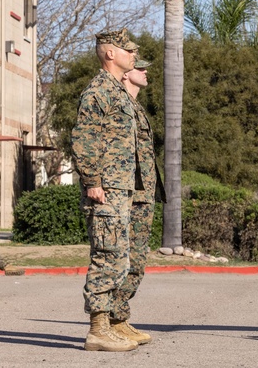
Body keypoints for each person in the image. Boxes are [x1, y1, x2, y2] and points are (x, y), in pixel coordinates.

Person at [71, 28, 142, 352]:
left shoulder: (116, 90)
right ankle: (97, 329)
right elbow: (84, 139)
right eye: (128, 50)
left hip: (119, 187)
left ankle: (109, 323)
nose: (134, 56)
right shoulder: (99, 90)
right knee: (107, 255)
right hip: (106, 189)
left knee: (119, 258)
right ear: (110, 53)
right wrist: (93, 182)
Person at [113, 58, 157, 345]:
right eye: (139, 68)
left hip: (142, 195)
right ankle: (112, 321)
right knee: (120, 259)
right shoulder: (119, 105)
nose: (145, 72)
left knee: (137, 260)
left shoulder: (135, 106)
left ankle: (120, 317)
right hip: (126, 195)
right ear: (126, 74)